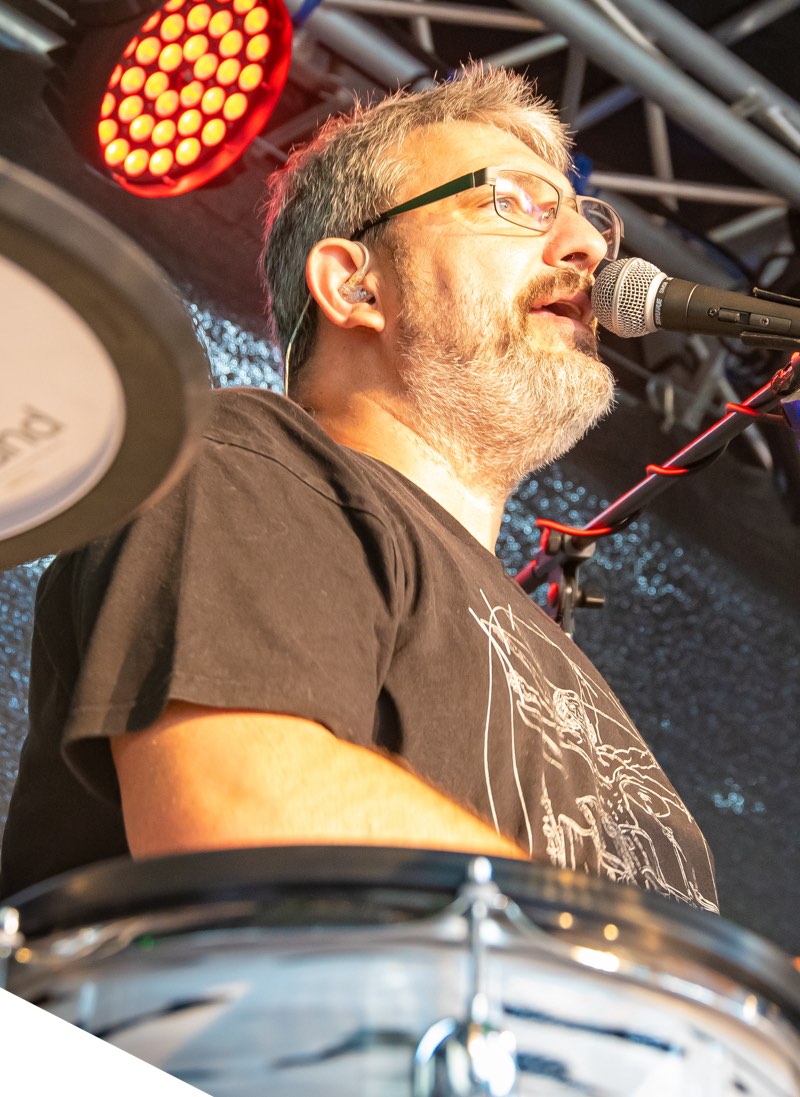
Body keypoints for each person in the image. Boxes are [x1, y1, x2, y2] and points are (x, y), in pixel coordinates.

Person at [1, 67, 718, 912]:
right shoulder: (253, 460)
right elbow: (244, 807)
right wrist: (635, 951)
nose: (588, 250)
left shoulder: (563, 665)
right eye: (516, 203)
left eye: (587, 219)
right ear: (355, 285)